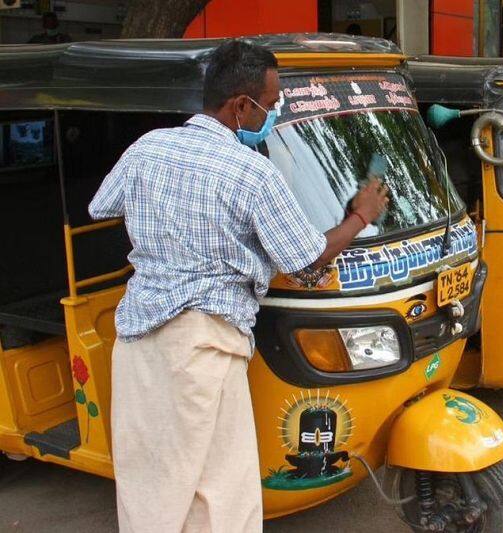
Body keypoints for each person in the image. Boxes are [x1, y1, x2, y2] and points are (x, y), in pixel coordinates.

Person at [88, 40, 388, 533]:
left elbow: (103, 205)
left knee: (152, 484)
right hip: (204, 346)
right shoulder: (251, 174)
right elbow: (307, 256)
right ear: (241, 106)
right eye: (269, 106)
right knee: (219, 492)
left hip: (139, 342)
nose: (270, 114)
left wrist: (168, 227)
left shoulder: (147, 148)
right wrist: (361, 215)